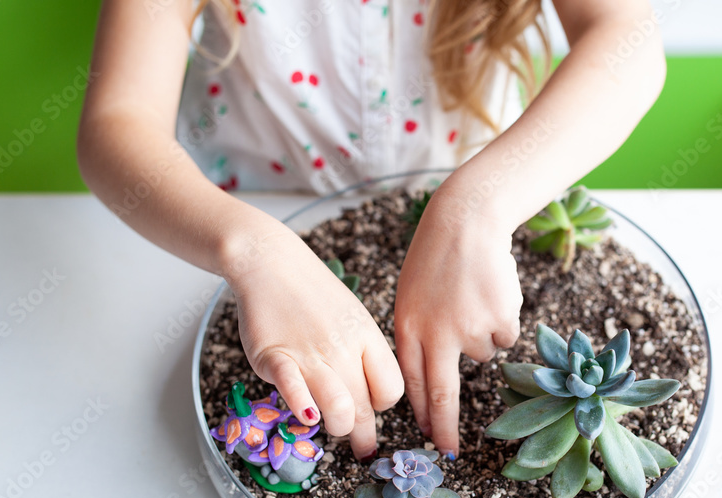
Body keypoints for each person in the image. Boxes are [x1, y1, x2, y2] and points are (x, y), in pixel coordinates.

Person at [77, 0, 666, 463]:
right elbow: (116, 123)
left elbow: (625, 35)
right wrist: (256, 251)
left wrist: (474, 208)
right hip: (244, 199)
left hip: (483, 173)